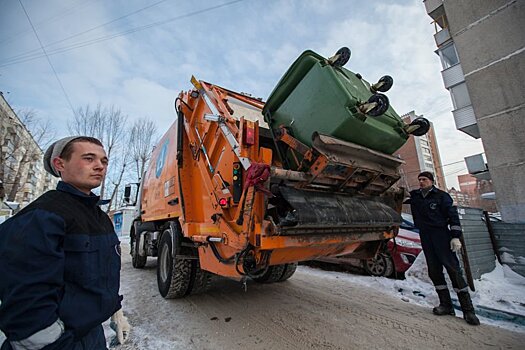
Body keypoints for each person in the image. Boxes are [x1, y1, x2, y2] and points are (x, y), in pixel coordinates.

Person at [0, 136, 131, 349]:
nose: (99, 166)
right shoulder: (42, 217)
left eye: (104, 161)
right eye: (89, 158)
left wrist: (114, 310)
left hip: (92, 333)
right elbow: (27, 305)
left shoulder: (97, 216)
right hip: (59, 341)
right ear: (60, 164)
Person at [406, 171, 480, 326]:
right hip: (426, 237)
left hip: (441, 236)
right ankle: (446, 305)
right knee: (434, 271)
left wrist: (455, 236)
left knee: (453, 270)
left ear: (431, 181)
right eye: (419, 180)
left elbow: (453, 216)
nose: (421, 182)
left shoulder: (441, 196)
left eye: (424, 180)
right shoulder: (416, 196)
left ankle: (468, 311)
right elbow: (400, 195)